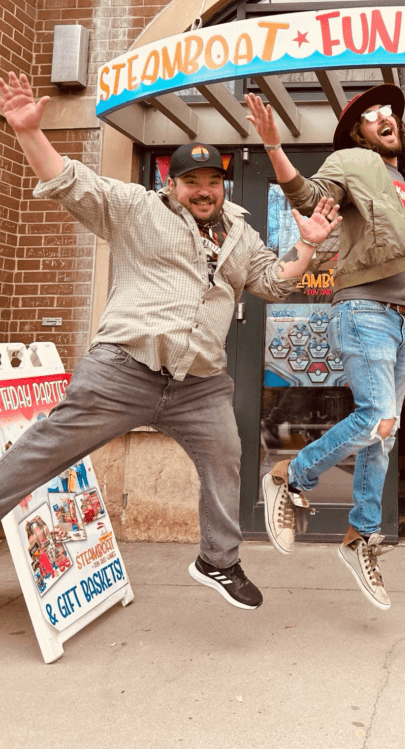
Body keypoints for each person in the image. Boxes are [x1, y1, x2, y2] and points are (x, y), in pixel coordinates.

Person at [0, 71, 340, 611]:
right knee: (45, 450)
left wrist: (306, 246)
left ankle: (218, 561)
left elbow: (273, 282)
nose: (203, 190)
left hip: (199, 384)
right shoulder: (136, 208)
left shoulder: (241, 232)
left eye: (212, 180)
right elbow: (70, 181)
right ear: (172, 184)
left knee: (226, 455)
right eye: (191, 182)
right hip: (123, 370)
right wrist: (27, 132)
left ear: (222, 183)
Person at [246, 84, 405, 610]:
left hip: (398, 321)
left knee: (384, 435)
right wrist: (273, 149)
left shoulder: (402, 181)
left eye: (391, 114)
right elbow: (312, 198)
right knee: (379, 417)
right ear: (357, 131)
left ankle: (361, 537)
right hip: (363, 310)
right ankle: (292, 474)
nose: (385, 119)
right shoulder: (351, 160)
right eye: (371, 115)